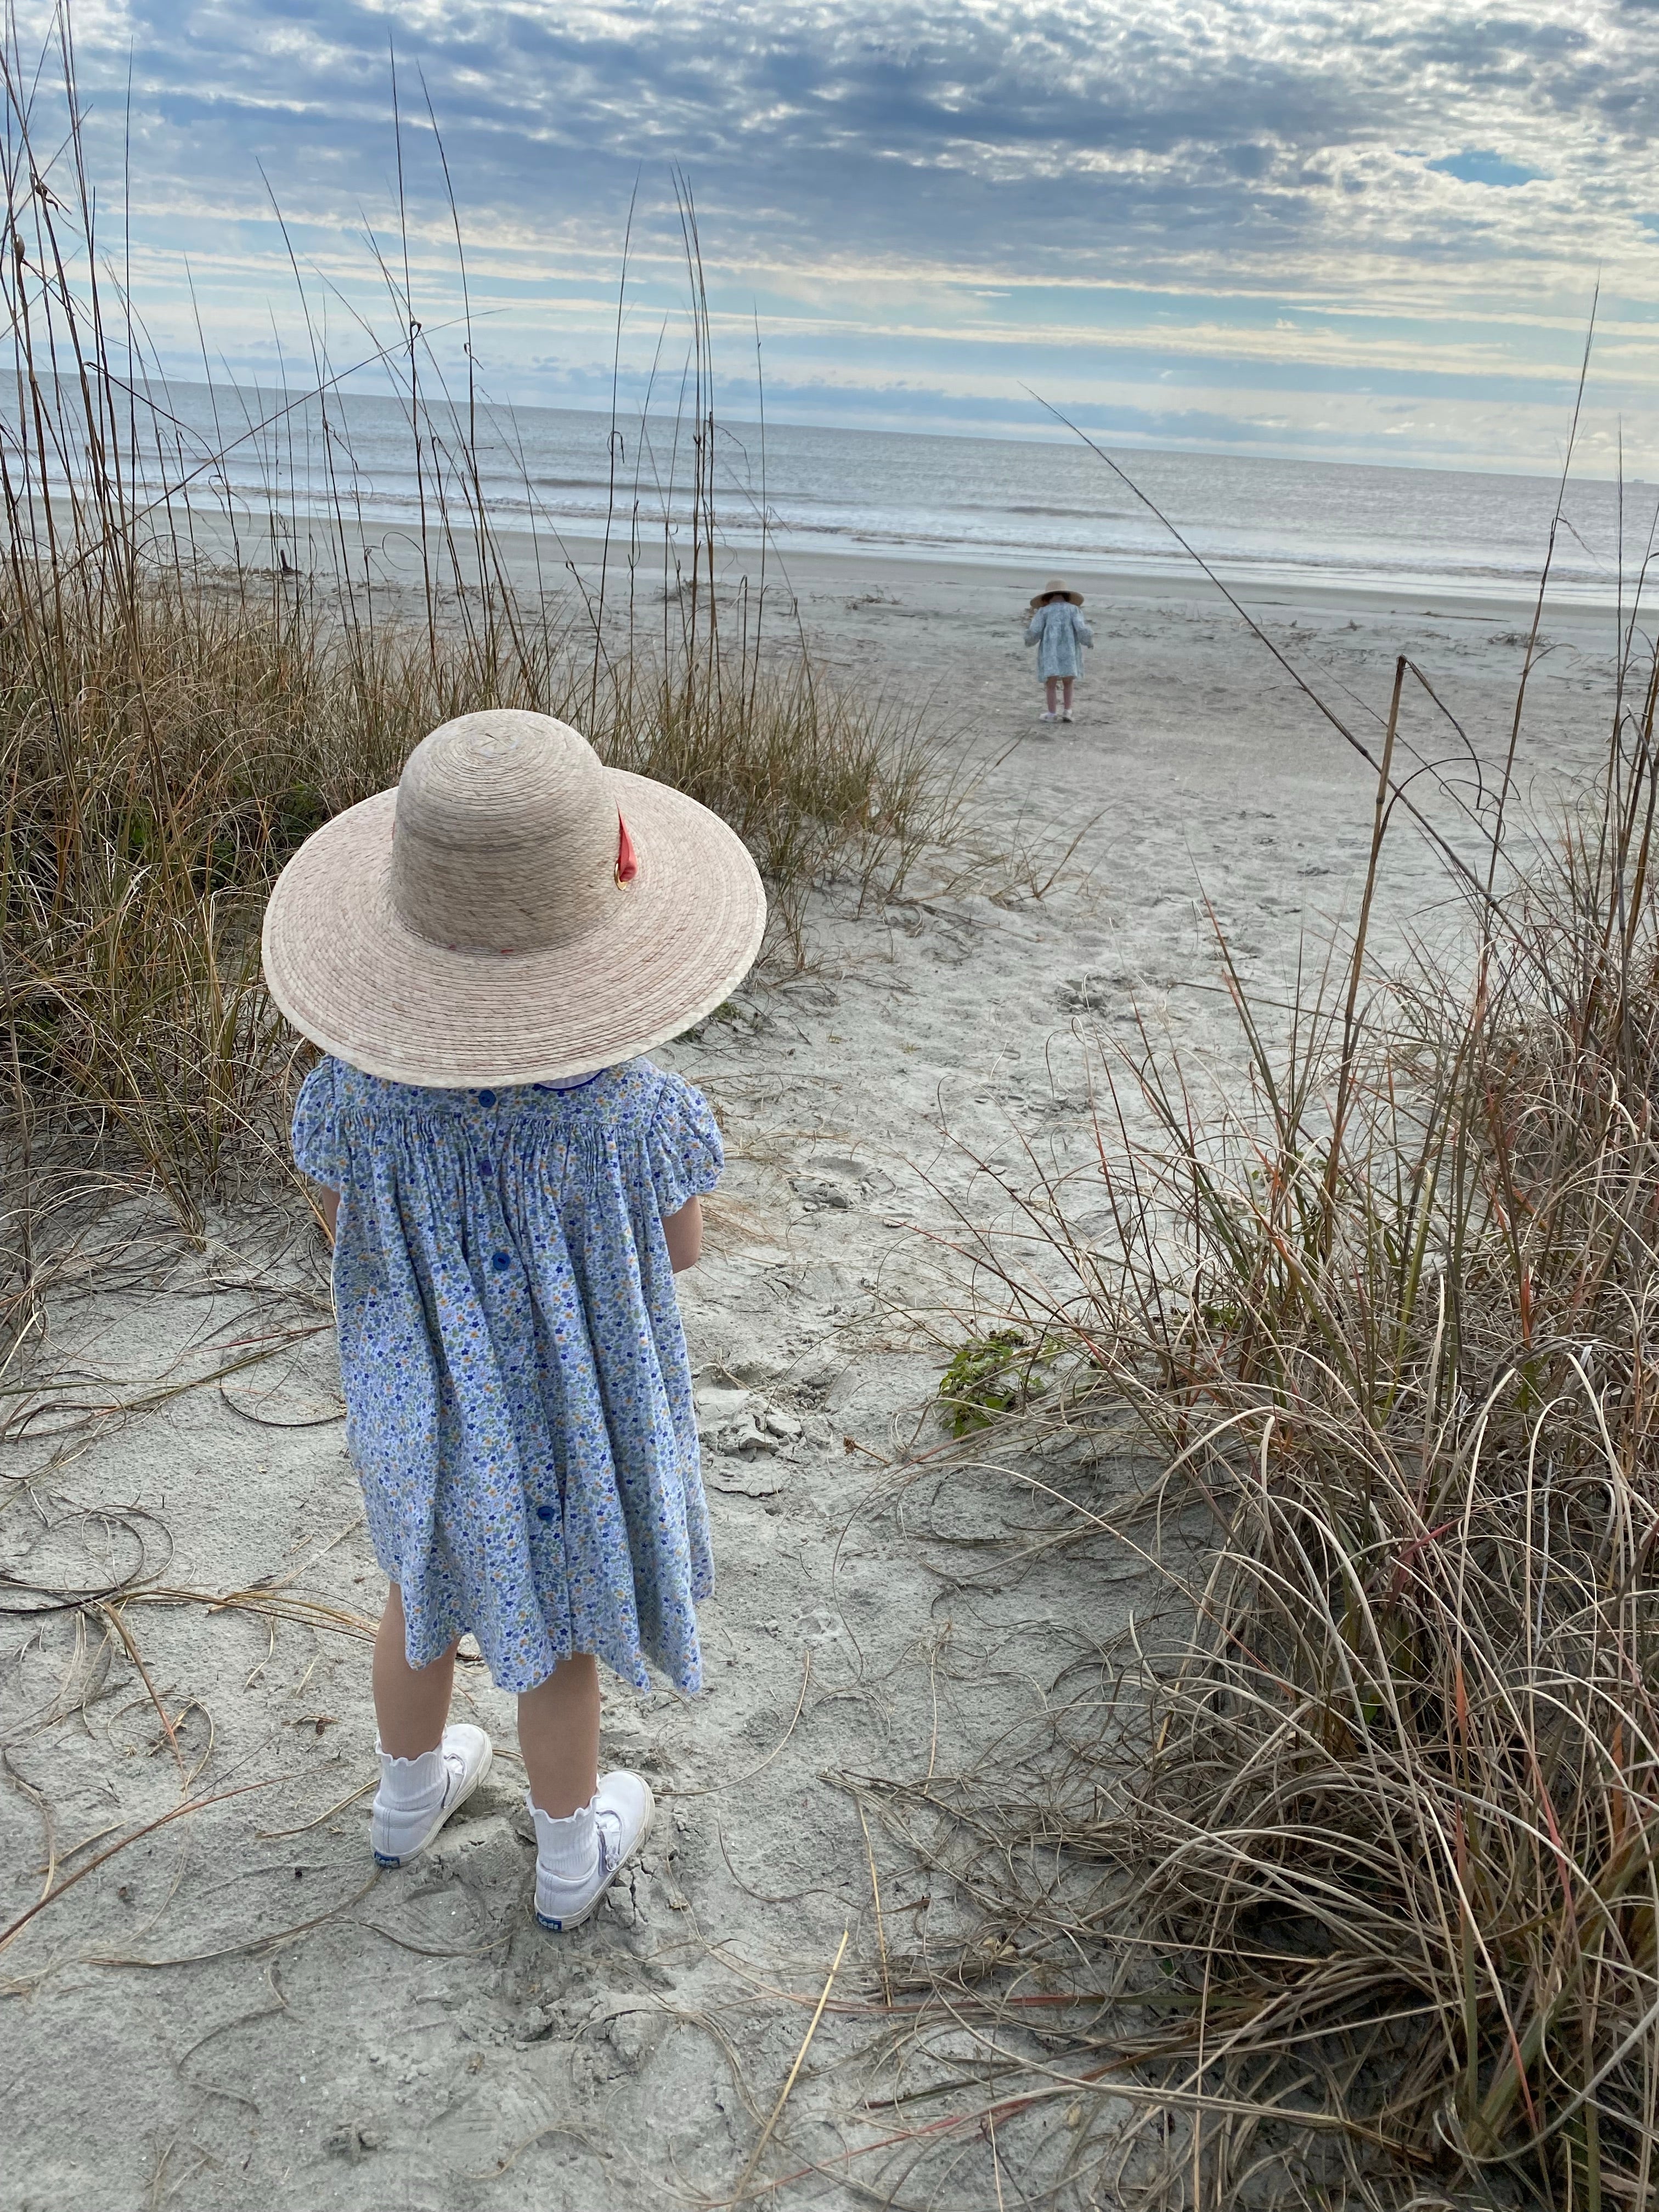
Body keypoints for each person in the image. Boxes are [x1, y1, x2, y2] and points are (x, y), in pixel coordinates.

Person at [261, 707, 766, 1932]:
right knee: (566, 1630)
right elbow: (681, 1252)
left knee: (420, 1592)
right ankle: (564, 1858)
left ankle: (402, 1800)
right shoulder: (643, 1114)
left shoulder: (349, 1097)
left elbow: (343, 1228)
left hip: (418, 1396)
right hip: (576, 1407)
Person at [1024, 578, 1094, 723]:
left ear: (1047, 598)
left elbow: (1035, 631)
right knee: (1069, 681)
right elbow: (1081, 628)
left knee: (1051, 682)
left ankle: (1051, 713)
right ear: (1067, 596)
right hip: (1069, 650)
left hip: (1051, 651)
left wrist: (1028, 640)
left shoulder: (1044, 611)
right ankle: (1068, 711)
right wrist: (1088, 641)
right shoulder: (1074, 610)